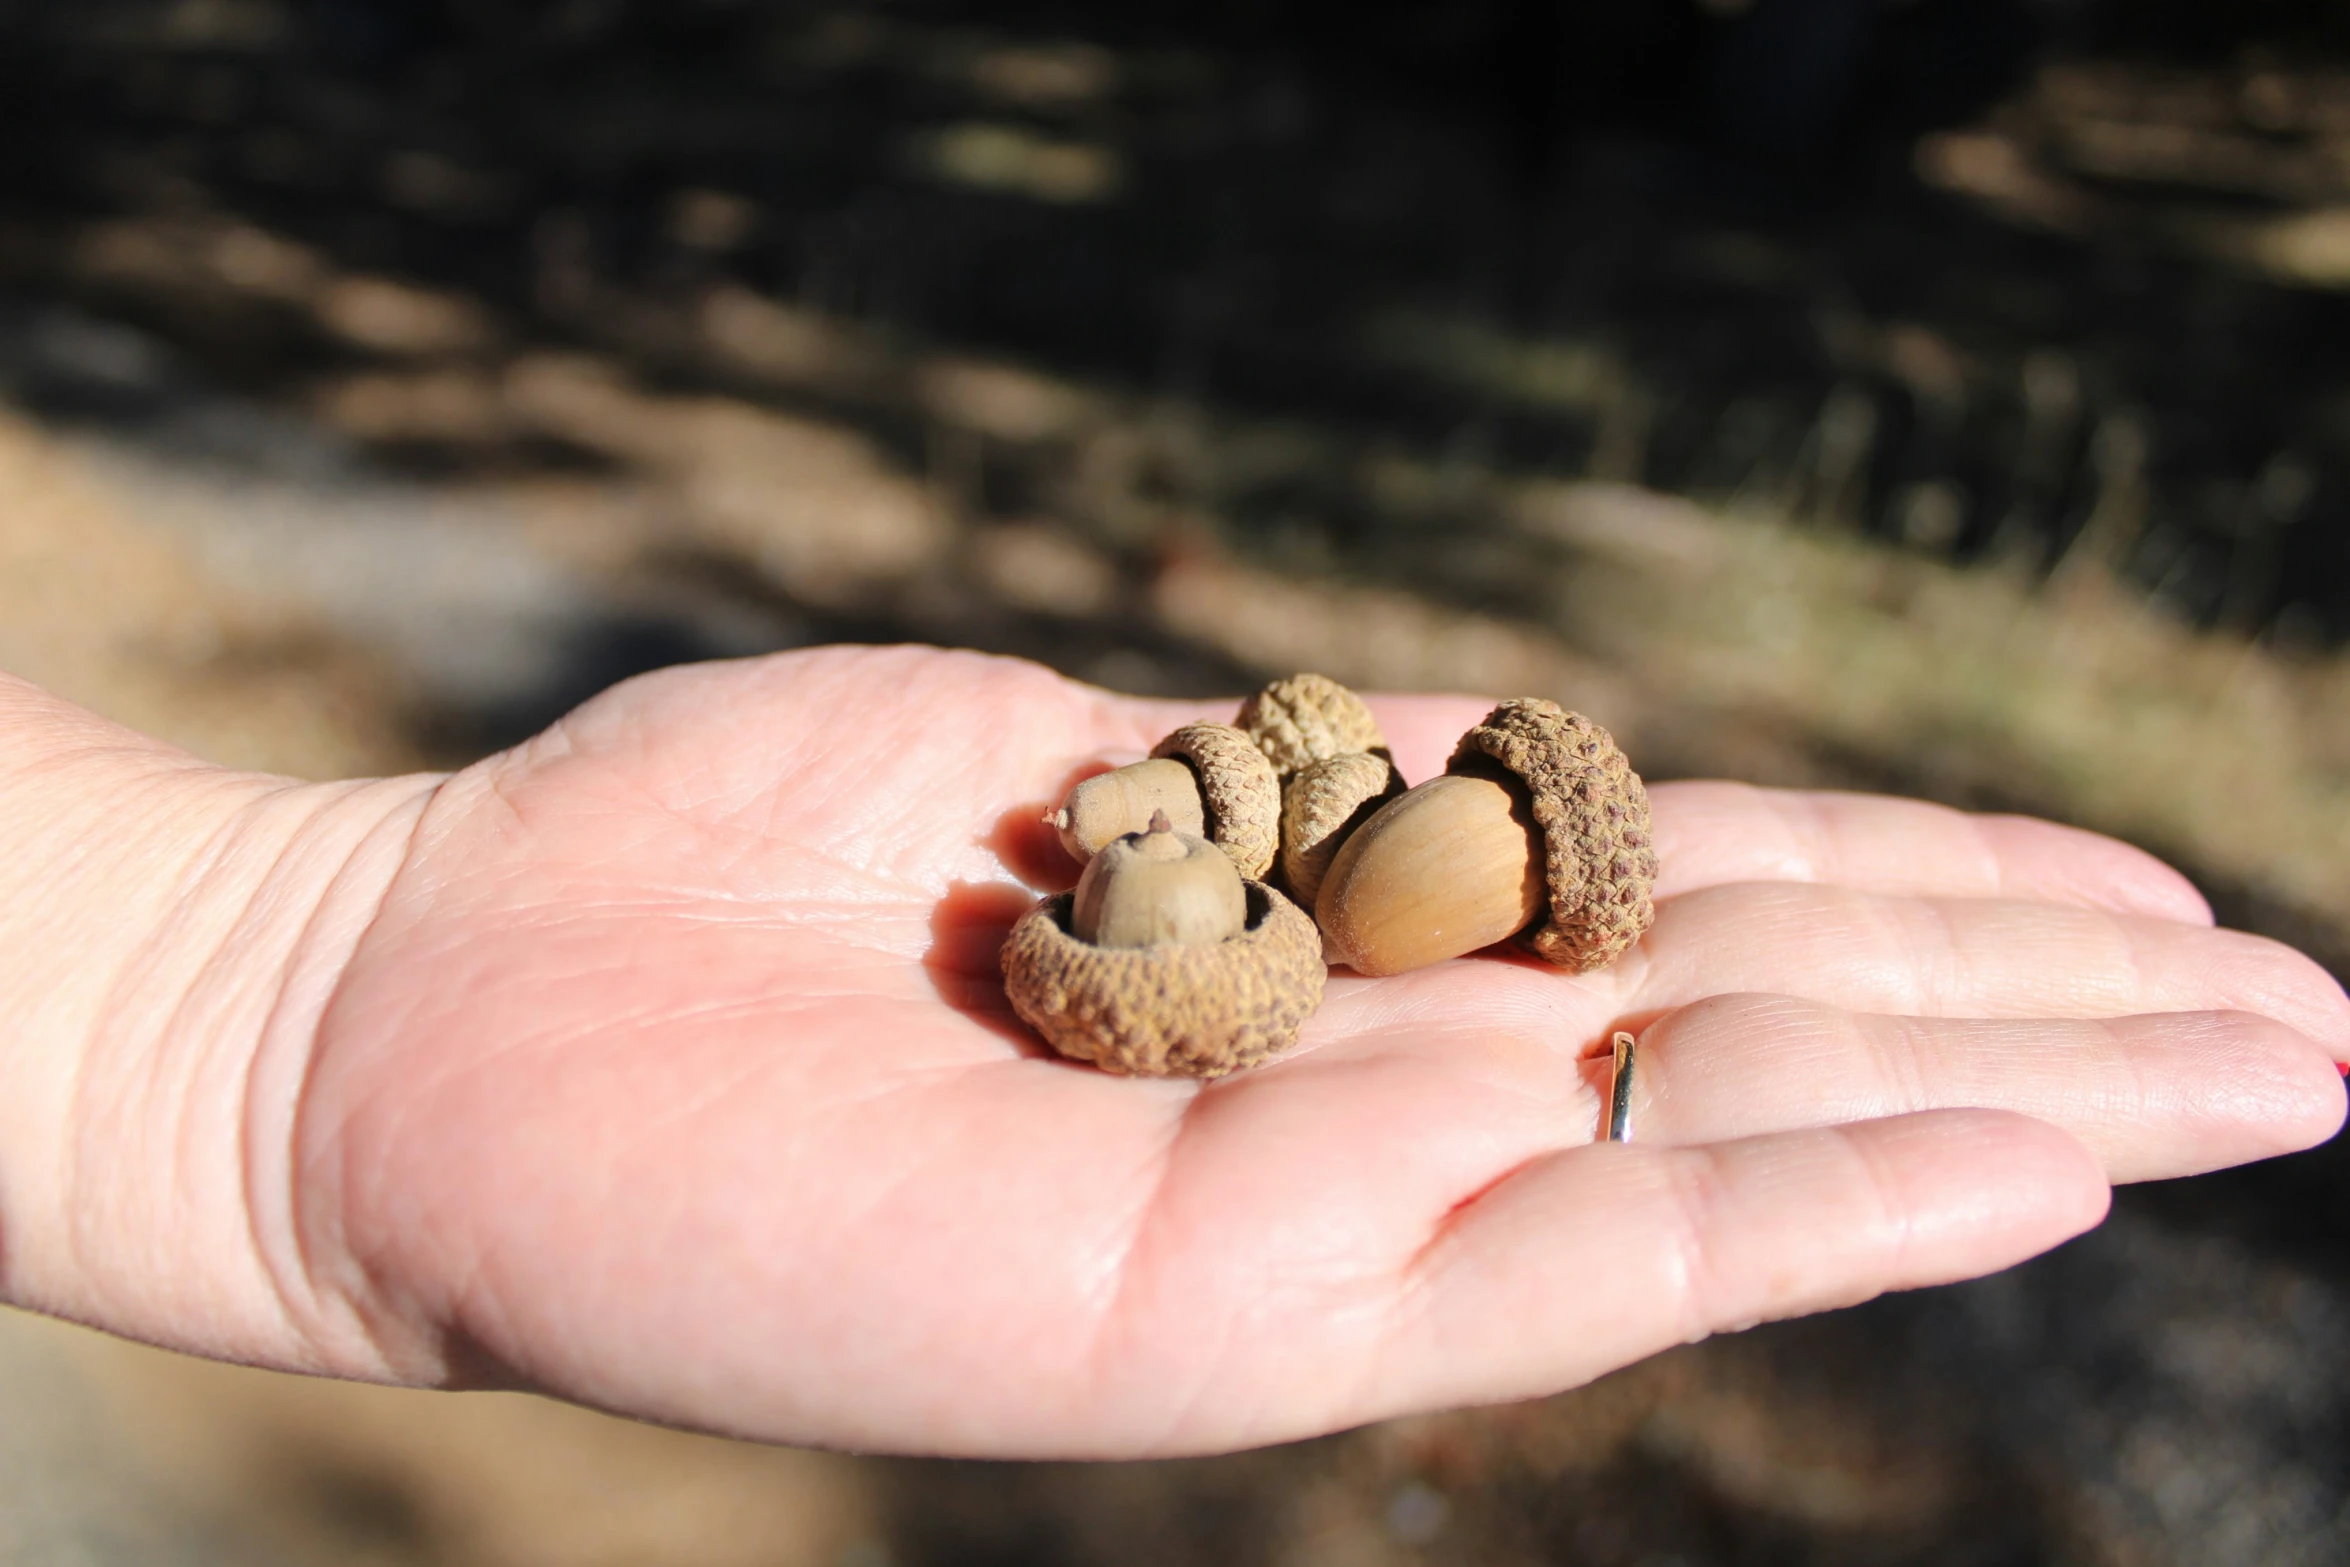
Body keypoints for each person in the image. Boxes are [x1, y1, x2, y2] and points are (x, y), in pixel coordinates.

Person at [0, 644, 2341, 1458]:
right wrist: (276, 986)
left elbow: (1392, 889)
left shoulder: (1412, 856)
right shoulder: (1154, 885)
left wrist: (266, 981)